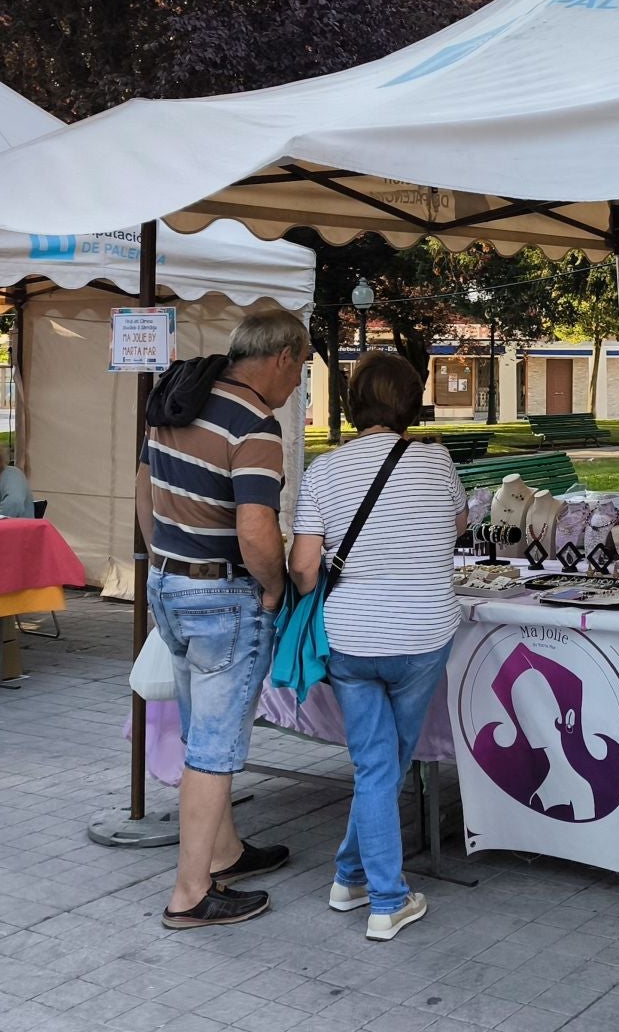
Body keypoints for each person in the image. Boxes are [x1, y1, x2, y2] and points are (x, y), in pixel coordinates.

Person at [134, 308, 308, 930]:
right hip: (225, 599)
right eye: (301, 366)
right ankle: (190, 892)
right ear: (283, 356)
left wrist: (166, 558)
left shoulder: (178, 397)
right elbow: (257, 529)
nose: (297, 384)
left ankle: (227, 852)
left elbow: (142, 488)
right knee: (215, 746)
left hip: (171, 585)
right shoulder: (254, 424)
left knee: (198, 729)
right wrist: (271, 589)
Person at [289, 352, 466, 942]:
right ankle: (387, 900)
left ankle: (349, 875)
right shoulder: (437, 462)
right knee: (385, 763)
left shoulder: (323, 471)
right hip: (422, 635)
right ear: (411, 402)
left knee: (374, 763)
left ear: (351, 401)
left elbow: (305, 570)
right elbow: (459, 527)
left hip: (350, 637)